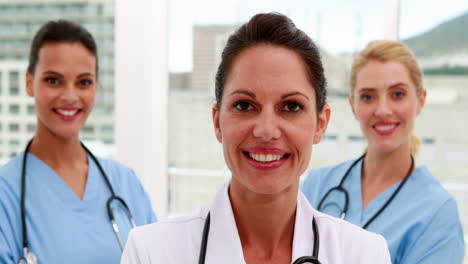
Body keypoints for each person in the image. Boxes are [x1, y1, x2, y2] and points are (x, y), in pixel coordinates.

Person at [121, 13, 391, 264]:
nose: (266, 130)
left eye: (291, 106)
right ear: (217, 121)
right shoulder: (151, 252)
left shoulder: (365, 255)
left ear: (321, 124)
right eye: (244, 106)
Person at [0, 20, 157, 264]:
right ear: (29, 83)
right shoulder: (5, 193)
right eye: (53, 80)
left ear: (96, 87)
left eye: (84, 82)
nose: (70, 96)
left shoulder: (125, 183)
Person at [301, 40, 465, 263]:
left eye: (397, 94)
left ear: (420, 100)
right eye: (368, 97)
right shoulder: (317, 185)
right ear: (353, 106)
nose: (383, 110)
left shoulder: (437, 212)